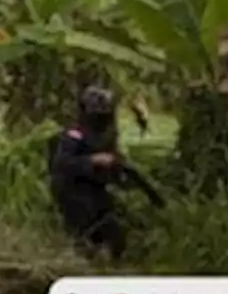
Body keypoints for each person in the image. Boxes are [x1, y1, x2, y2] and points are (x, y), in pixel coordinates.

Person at [48, 85, 163, 261]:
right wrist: (93, 160)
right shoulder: (74, 135)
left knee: (116, 235)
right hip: (72, 191)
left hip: (96, 190)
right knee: (86, 234)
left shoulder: (105, 136)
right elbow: (62, 164)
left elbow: (117, 168)